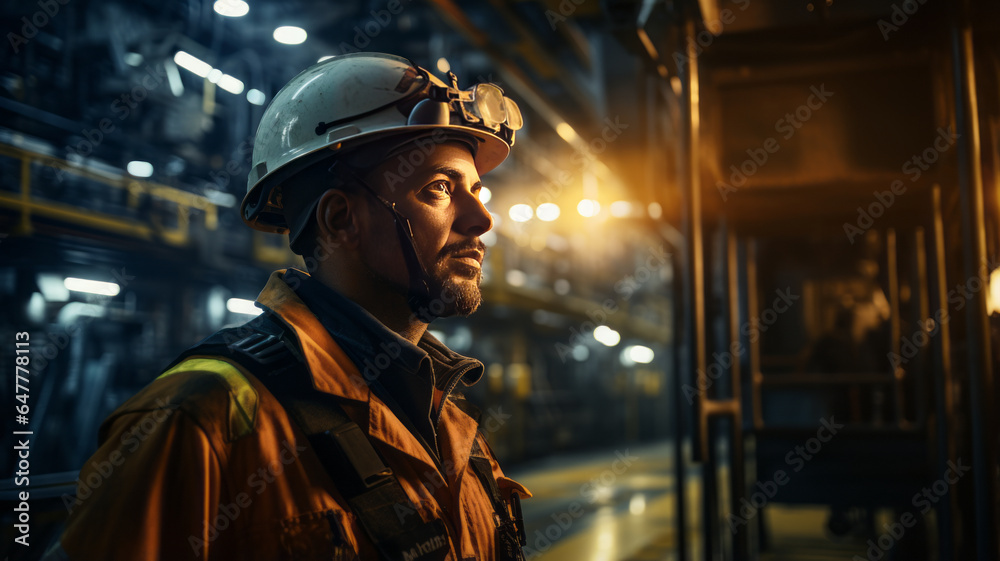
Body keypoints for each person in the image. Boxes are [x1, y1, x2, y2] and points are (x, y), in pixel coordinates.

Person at [42, 52, 530, 561]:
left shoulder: (448, 420)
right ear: (341, 220)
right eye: (438, 190)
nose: (482, 220)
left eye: (477, 190)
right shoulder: (199, 418)